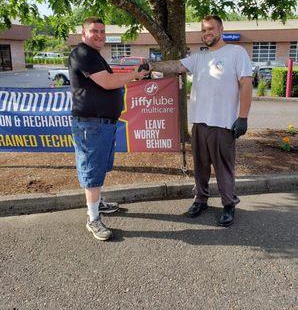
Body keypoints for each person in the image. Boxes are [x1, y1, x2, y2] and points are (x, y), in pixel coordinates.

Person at [149, 15, 252, 227]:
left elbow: (246, 84)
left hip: (223, 124)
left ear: (221, 29)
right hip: (199, 123)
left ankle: (228, 204)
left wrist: (243, 117)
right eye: (203, 30)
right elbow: (176, 66)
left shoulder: (236, 53)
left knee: (224, 168)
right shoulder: (198, 58)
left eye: (210, 29)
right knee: (201, 167)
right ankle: (201, 199)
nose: (207, 33)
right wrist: (150, 65)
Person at [68, 17, 148, 241]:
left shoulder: (94, 55)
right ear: (84, 33)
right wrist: (134, 74)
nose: (100, 35)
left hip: (101, 124)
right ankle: (93, 218)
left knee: (100, 166)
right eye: (94, 31)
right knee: (92, 170)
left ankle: (98, 203)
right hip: (90, 124)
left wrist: (135, 74)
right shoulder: (82, 53)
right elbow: (107, 82)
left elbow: (109, 80)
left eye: (102, 31)